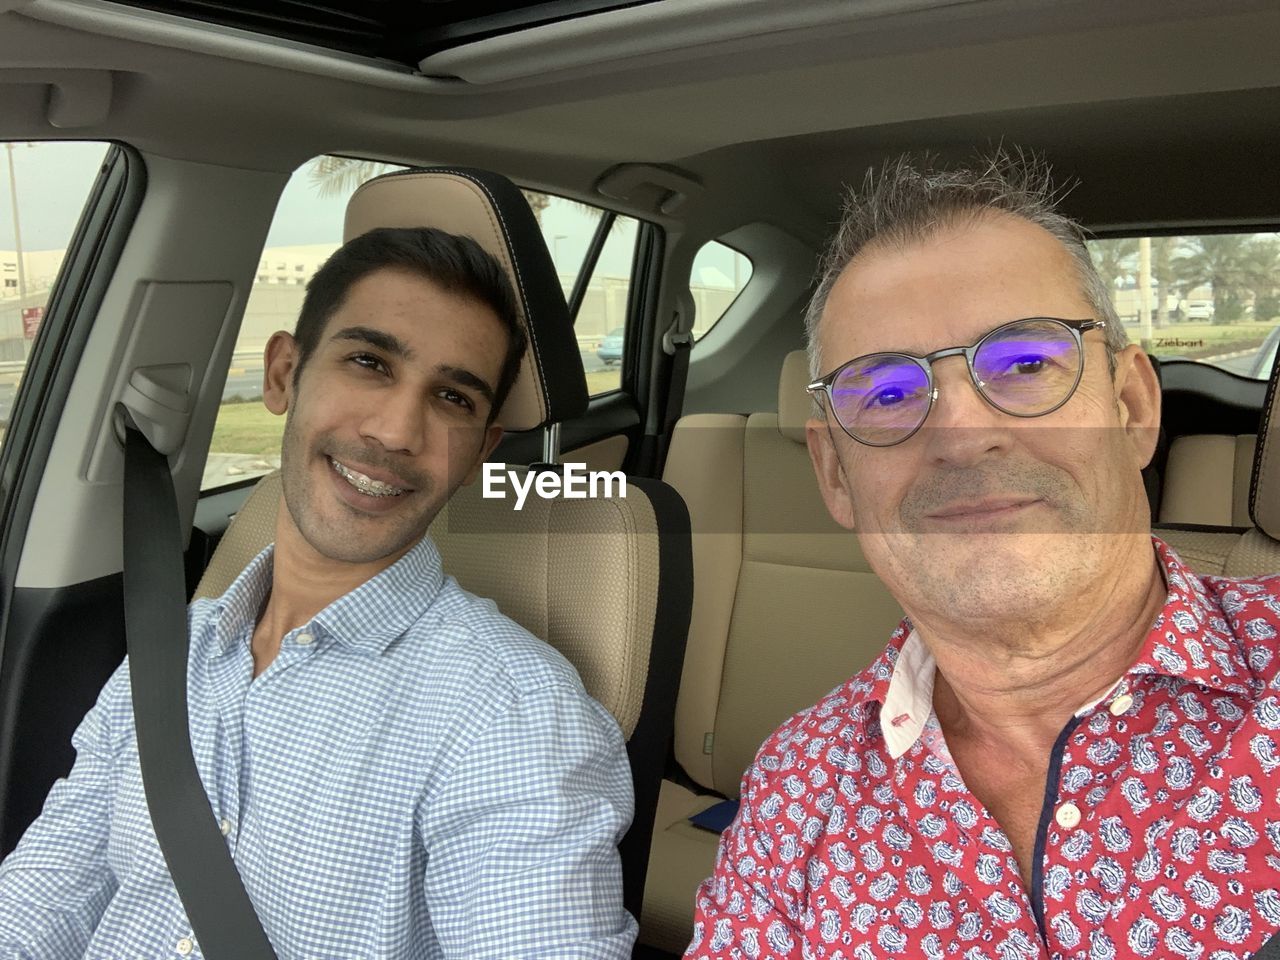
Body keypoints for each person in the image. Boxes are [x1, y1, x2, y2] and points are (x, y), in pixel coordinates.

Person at [685, 152, 1280, 958]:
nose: (961, 435)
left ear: (1134, 409)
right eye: (888, 394)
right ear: (834, 473)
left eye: (1027, 364)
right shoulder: (796, 785)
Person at [0, 227, 637, 959]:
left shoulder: (510, 719)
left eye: (452, 397)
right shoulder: (168, 650)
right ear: (282, 374)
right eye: (369, 361)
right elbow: (43, 895)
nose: (397, 430)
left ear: (478, 456)